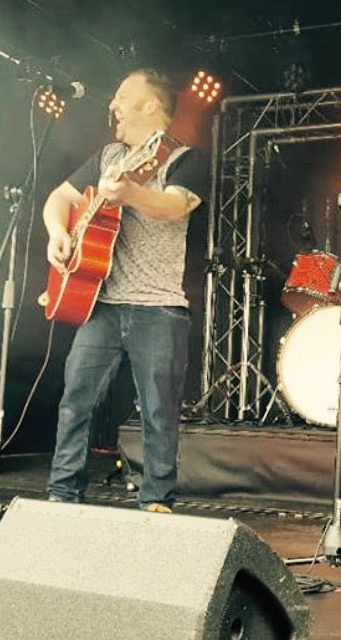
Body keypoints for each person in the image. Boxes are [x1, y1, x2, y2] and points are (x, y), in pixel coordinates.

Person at [43, 69, 209, 512]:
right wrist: (58, 232)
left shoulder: (184, 158)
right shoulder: (109, 156)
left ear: (150, 105)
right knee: (74, 401)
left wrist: (131, 194)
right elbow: (58, 197)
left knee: (158, 412)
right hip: (101, 303)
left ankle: (156, 499)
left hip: (160, 307)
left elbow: (174, 207)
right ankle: (63, 493)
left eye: (122, 96)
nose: (112, 105)